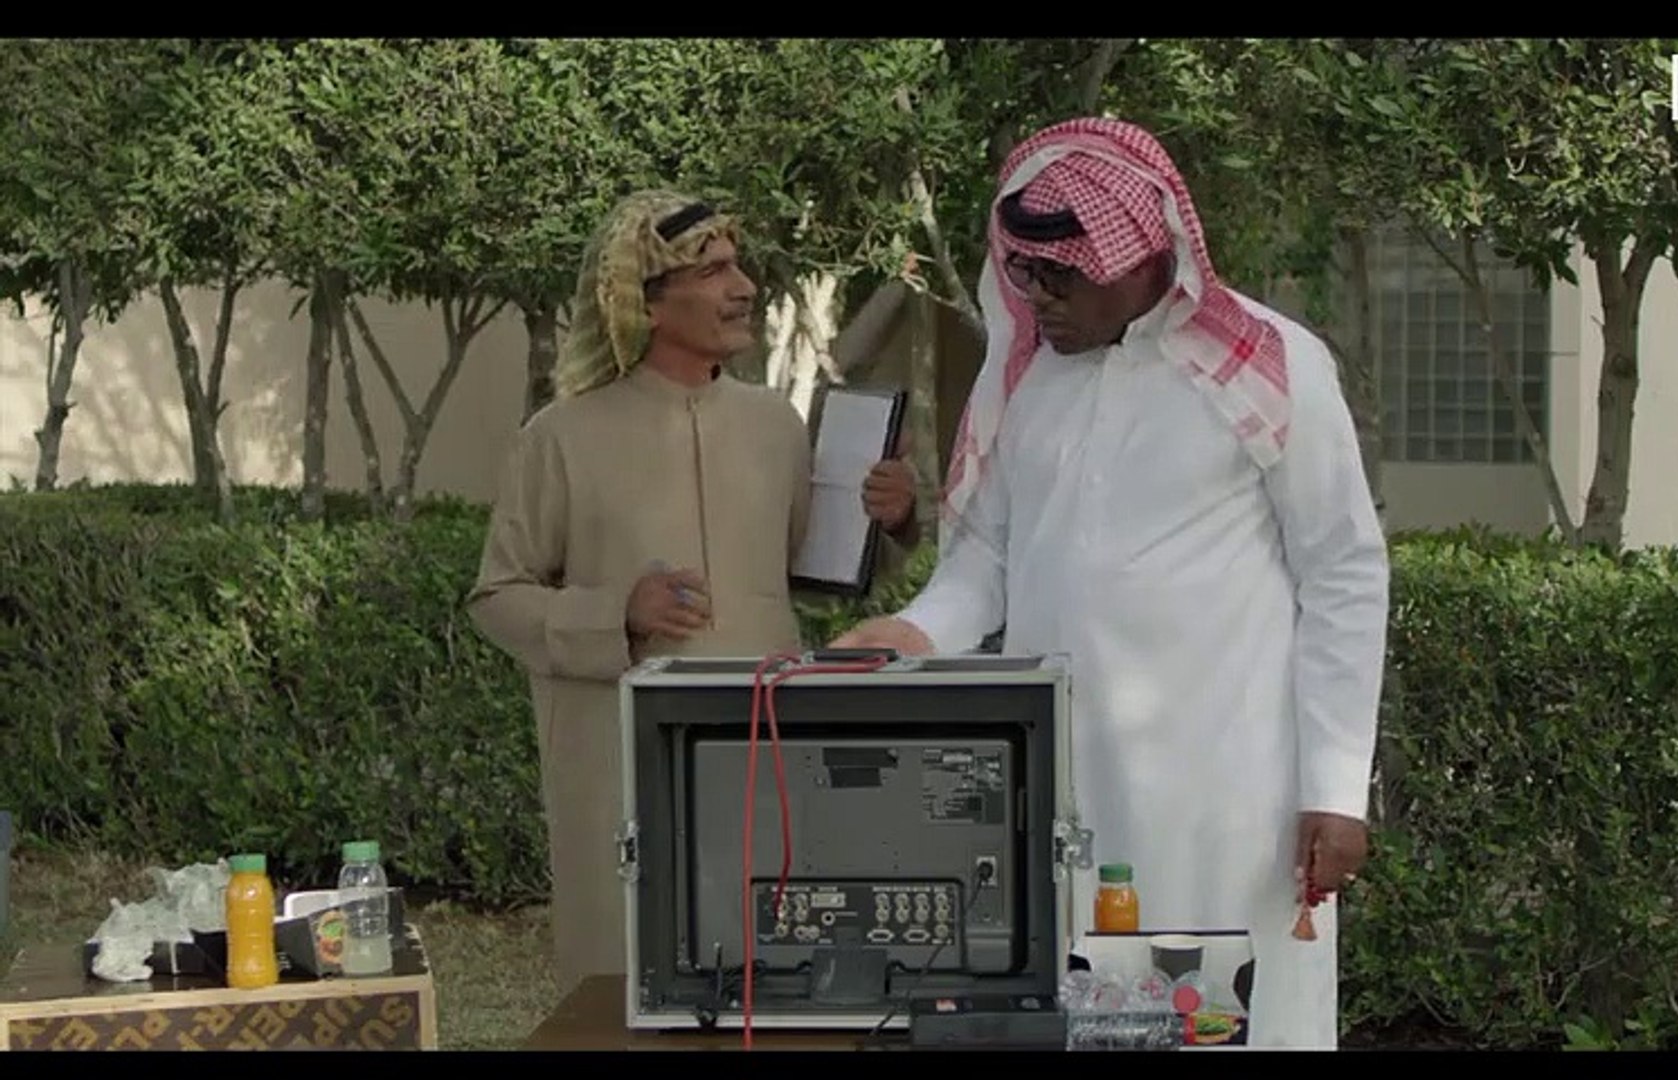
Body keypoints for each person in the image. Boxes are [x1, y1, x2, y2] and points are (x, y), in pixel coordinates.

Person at [830, 119, 1390, 1049]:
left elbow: (1343, 571)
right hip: (1061, 786)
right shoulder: (1028, 381)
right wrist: (915, 632)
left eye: (1064, 275)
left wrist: (1335, 788)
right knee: (1073, 1013)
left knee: (1231, 1021)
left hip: (1225, 793)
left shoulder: (1271, 366)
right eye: (1024, 273)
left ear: (1142, 255)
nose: (1039, 297)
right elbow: (987, 558)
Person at [467, 190, 921, 995]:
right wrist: (616, 614)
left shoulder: (776, 426)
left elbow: (818, 573)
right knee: (625, 978)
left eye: (738, 266)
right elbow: (497, 597)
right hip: (620, 763)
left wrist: (893, 517)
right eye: (712, 271)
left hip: (764, 751)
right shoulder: (559, 438)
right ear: (644, 301)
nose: (742, 287)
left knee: (770, 970)